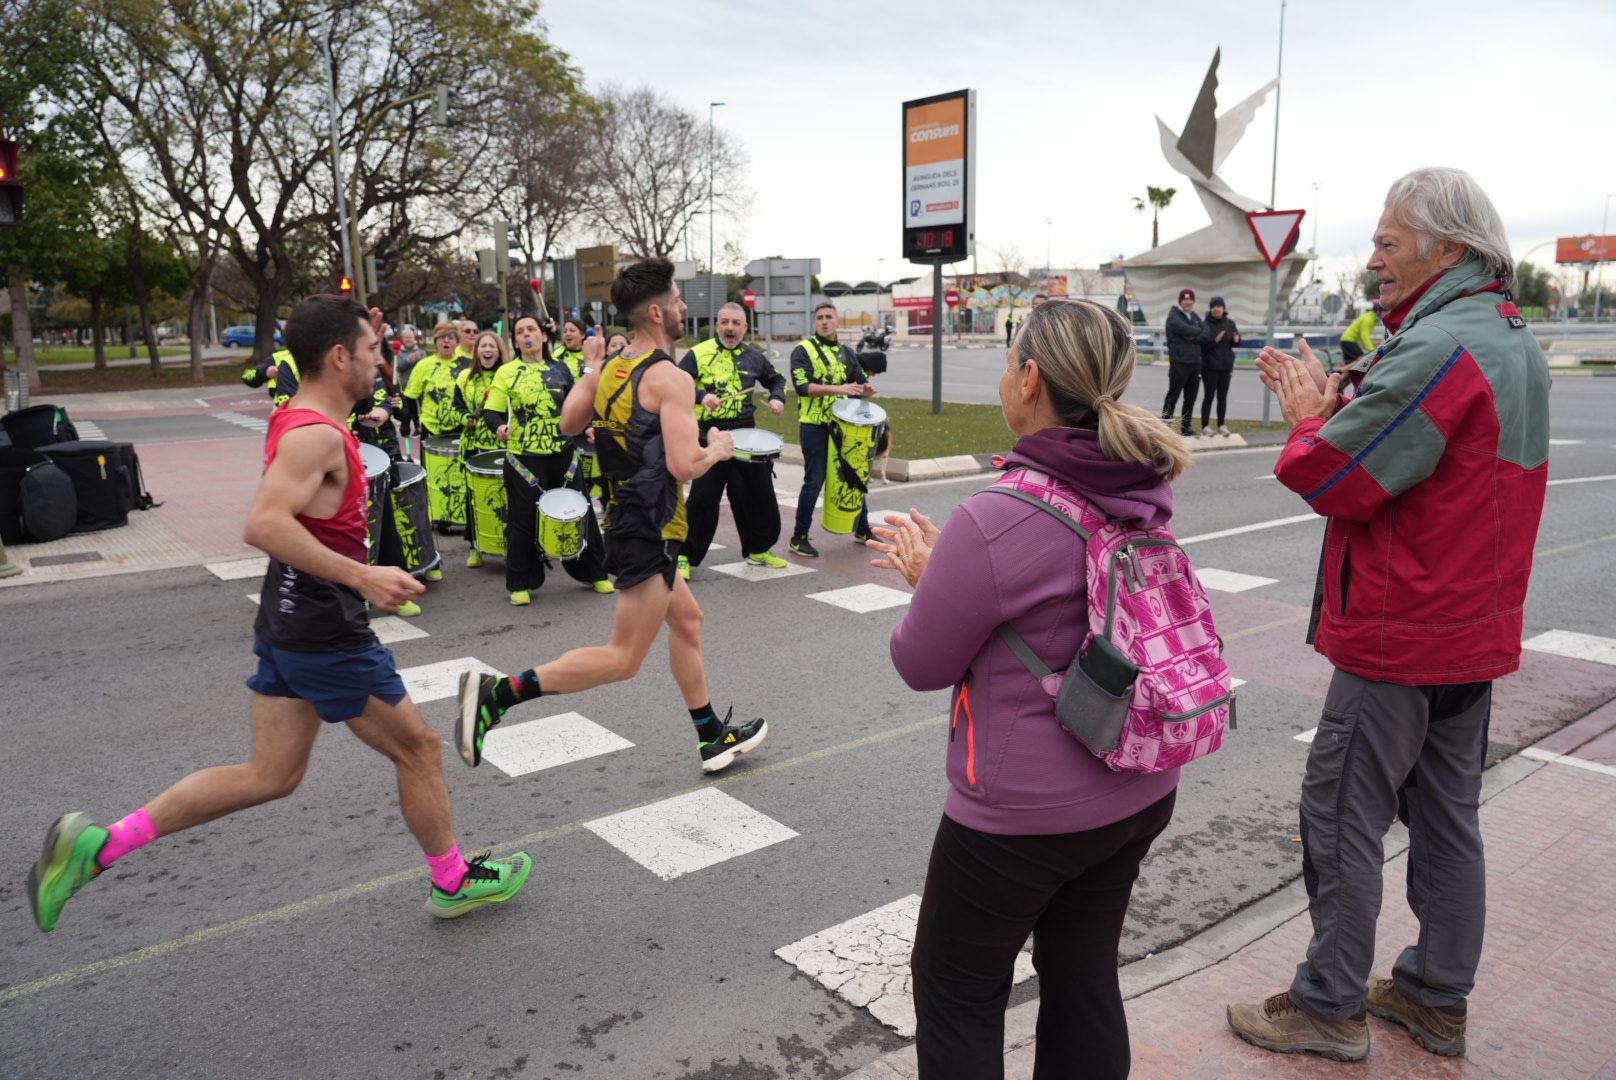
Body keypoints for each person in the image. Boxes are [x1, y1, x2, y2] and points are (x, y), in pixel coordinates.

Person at [25, 295, 531, 935]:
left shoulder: (298, 418)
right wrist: (362, 574)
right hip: (322, 625)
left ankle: (98, 847)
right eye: (372, 350)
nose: (382, 359)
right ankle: (453, 881)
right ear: (340, 356)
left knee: (271, 773)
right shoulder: (316, 434)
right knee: (420, 747)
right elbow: (263, 524)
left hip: (291, 617)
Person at [1227, 167, 1551, 1062]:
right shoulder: (1506, 338)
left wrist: (1305, 418)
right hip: (1469, 635)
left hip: (1400, 632)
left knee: (1341, 819)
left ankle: (1329, 1004)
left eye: (1386, 243)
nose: (1372, 260)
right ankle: (1434, 996)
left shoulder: (1441, 346)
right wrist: (1348, 406)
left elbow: (1334, 476)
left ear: (1446, 247)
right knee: (1449, 819)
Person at [869, 299, 1188, 1079]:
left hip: (1020, 819)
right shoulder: (1137, 484)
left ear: (1031, 376)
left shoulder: (996, 517)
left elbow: (920, 663)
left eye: (1009, 360)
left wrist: (930, 579)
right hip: (1139, 784)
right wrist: (958, 573)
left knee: (956, 988)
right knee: (1082, 975)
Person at [458, 258, 767, 774]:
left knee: (688, 621)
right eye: (675, 299)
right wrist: (718, 448)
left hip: (626, 516)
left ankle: (711, 734)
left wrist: (592, 370)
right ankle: (497, 694)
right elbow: (682, 465)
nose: (682, 307)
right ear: (654, 311)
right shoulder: (670, 378)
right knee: (622, 659)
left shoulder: (609, 370)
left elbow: (568, 422)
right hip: (652, 526)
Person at [482, 315, 614, 604]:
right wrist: (499, 428)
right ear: (515, 341)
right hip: (523, 460)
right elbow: (490, 411)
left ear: (543, 336)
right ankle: (520, 582)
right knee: (522, 520)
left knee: (581, 512)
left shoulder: (562, 369)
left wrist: (590, 427)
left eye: (531, 329)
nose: (526, 334)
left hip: (563, 455)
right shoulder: (506, 372)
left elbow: (576, 407)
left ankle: (595, 573)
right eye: (520, 332)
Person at [677, 301, 789, 576]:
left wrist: (776, 398)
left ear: (744, 328)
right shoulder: (698, 353)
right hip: (710, 435)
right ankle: (684, 557)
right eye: (724, 322)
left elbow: (776, 380)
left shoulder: (754, 357)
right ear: (717, 325)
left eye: (735, 323)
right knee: (703, 499)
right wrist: (702, 396)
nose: (730, 328)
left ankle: (758, 549)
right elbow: (677, 384)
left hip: (745, 434)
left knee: (757, 495)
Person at [788, 302, 877, 557]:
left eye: (829, 317)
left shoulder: (846, 352)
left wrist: (867, 390)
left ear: (837, 321)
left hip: (845, 427)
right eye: (820, 318)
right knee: (814, 480)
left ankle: (862, 528)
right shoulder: (802, 350)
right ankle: (799, 537)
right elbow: (803, 387)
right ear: (814, 322)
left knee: (853, 476)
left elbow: (860, 382)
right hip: (814, 425)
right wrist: (841, 389)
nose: (824, 321)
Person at [403, 322, 468, 535]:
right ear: (436, 341)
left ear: (457, 342)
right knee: (434, 476)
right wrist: (410, 421)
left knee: (459, 474)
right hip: (432, 429)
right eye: (442, 338)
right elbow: (411, 397)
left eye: (450, 337)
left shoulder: (467, 364)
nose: (446, 341)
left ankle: (462, 515)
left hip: (461, 428)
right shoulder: (424, 365)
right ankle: (438, 517)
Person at [455, 331, 510, 570]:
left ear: (499, 351)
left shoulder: (508, 375)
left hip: (503, 447)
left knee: (507, 500)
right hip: (474, 448)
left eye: (492, 346)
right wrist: (466, 417)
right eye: (483, 346)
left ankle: (510, 546)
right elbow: (455, 406)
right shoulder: (465, 378)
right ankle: (475, 547)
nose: (487, 350)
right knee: (474, 501)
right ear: (476, 351)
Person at [1161, 287, 1205, 436]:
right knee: (1173, 396)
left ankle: (1186, 427)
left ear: (1193, 301)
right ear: (1180, 301)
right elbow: (1186, 330)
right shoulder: (1174, 316)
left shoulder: (1195, 317)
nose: (1187, 301)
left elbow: (1206, 334)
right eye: (1185, 299)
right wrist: (1194, 333)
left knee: (1190, 398)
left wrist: (1193, 335)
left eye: (1190, 299)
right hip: (1179, 363)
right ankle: (1165, 427)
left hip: (1195, 364)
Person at [1199, 295, 1240, 437]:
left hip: (1226, 366)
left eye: (1219, 306)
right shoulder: (1205, 325)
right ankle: (1205, 426)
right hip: (1209, 367)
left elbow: (1235, 342)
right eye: (1213, 306)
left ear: (1223, 309)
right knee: (1209, 396)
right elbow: (1203, 346)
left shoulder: (1230, 323)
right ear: (1210, 309)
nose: (1216, 309)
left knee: (1222, 397)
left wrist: (1237, 339)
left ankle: (1221, 425)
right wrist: (1215, 340)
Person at [1338, 302, 1381, 367]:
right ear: (1378, 311)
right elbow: (1364, 335)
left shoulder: (1370, 317)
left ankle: (1340, 375)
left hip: (1347, 340)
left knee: (1350, 363)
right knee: (1361, 359)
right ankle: (1341, 371)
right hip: (1348, 340)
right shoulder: (1369, 319)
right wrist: (1371, 349)